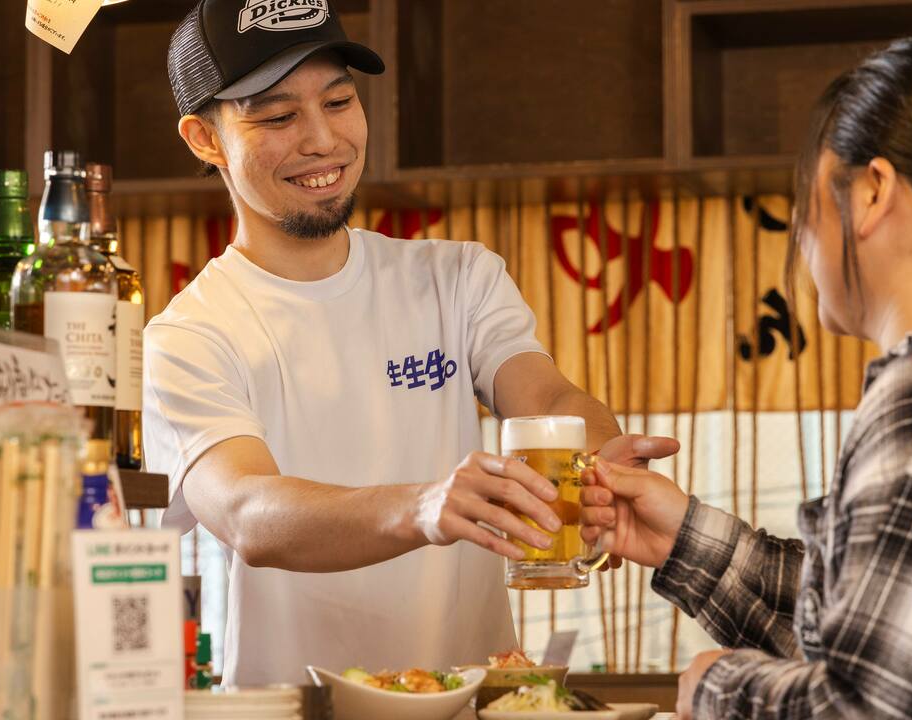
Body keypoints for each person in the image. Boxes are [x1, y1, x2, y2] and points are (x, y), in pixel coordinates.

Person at [581, 35, 912, 719]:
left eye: (807, 198)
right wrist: (683, 541)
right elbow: (908, 637)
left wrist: (716, 687)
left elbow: (873, 707)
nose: (802, 235)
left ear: (871, 192)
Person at [146, 0, 673, 686]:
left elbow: (545, 398)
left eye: (339, 101)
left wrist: (598, 459)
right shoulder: (190, 335)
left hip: (471, 700)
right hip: (296, 708)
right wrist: (424, 508)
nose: (323, 140)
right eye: (277, 117)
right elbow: (247, 510)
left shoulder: (457, 278)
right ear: (204, 139)